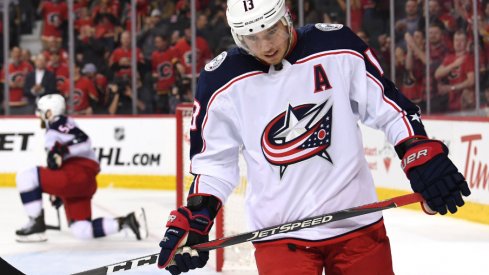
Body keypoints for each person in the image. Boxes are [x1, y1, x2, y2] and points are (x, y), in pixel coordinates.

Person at [157, 1, 471, 274]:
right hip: (280, 236)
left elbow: (389, 107)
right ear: (238, 37)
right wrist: (198, 215)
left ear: (287, 17)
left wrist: (418, 153)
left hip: (356, 226)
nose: (266, 45)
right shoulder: (221, 80)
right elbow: (214, 163)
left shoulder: (336, 46)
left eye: (271, 31)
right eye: (252, 38)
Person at [15, 94, 147, 243]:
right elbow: (57, 160)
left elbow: (84, 141)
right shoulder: (60, 126)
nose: (39, 116)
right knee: (82, 230)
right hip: (82, 182)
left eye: (41, 111)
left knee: (26, 176)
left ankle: (36, 226)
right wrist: (57, 191)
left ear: (50, 112)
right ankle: (128, 222)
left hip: (76, 174)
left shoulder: (58, 123)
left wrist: (62, 151)